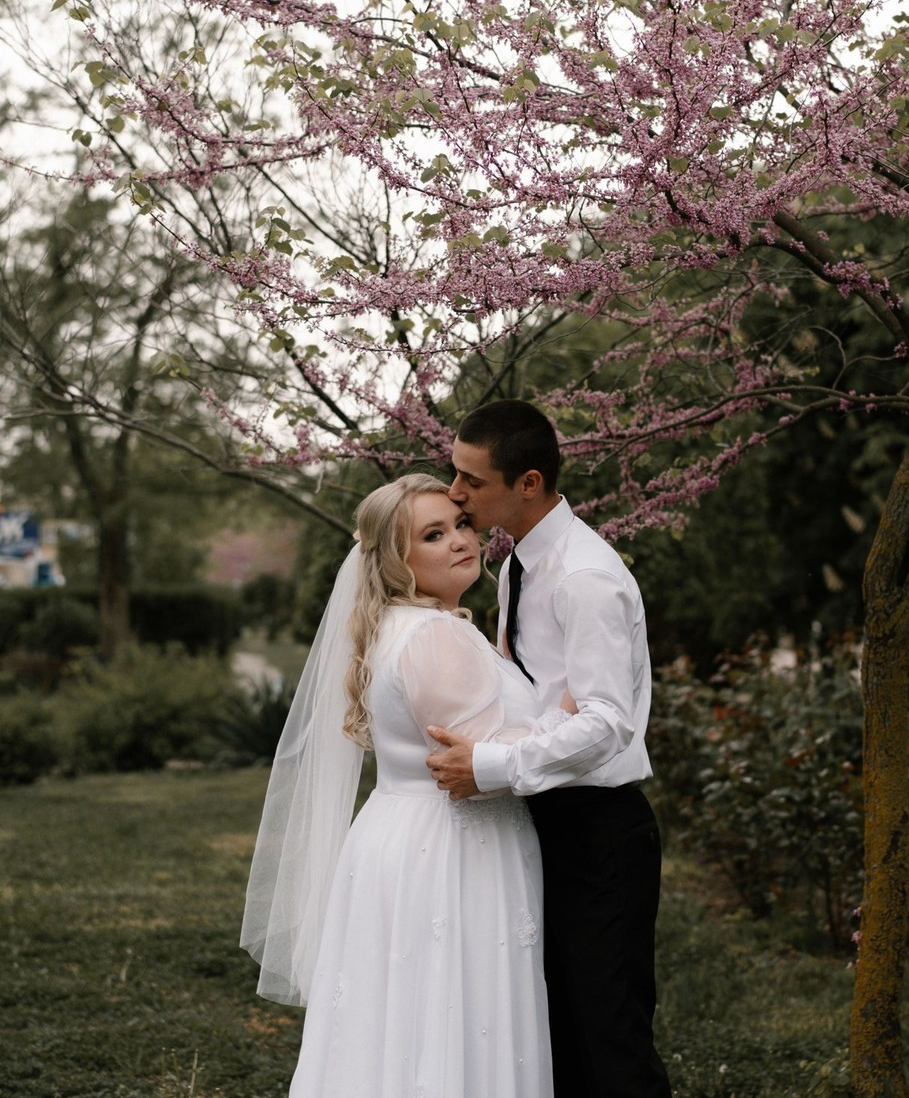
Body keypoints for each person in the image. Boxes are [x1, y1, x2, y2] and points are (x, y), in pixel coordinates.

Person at [241, 473, 569, 1098]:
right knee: (458, 1008)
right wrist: (574, 706)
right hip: (457, 844)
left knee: (399, 1016)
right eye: (433, 535)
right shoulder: (437, 636)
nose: (459, 542)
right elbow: (481, 765)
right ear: (398, 559)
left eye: (462, 525)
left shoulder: (392, 627)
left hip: (396, 834)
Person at [428, 400, 672, 1098]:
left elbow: (606, 724)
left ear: (527, 483)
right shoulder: (517, 567)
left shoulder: (583, 578)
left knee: (610, 1041)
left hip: (600, 834)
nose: (455, 492)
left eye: (471, 480)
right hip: (545, 826)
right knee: (556, 1034)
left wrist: (491, 766)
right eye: (455, 473)